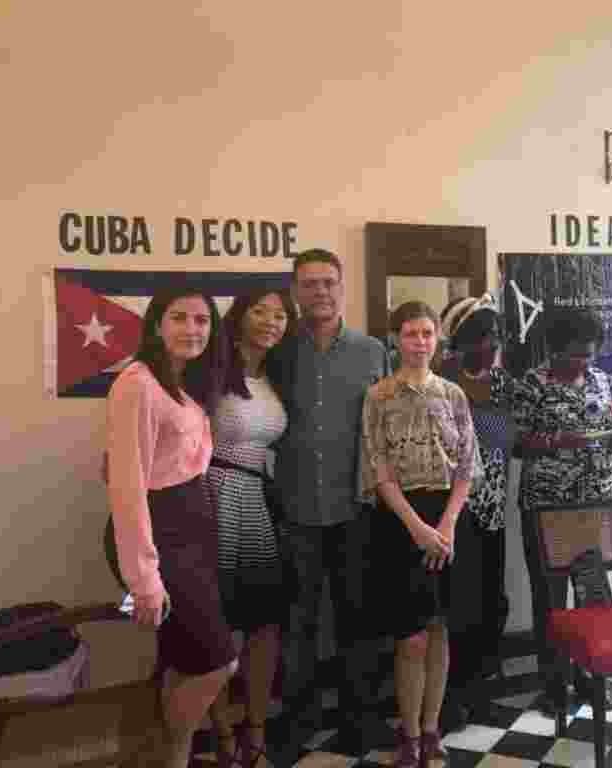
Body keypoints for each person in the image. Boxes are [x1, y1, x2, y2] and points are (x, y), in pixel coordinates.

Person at [264, 248, 392, 758]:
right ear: (295, 291)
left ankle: (358, 718)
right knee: (299, 624)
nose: (319, 291)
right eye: (309, 283)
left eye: (328, 282)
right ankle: (298, 720)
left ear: (342, 287)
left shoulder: (371, 351)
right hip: (294, 511)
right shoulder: (277, 352)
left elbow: (387, 427)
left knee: (356, 621)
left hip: (356, 510)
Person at [106, 287, 238, 768]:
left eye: (202, 320)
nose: (192, 329)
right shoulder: (136, 383)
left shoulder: (181, 385)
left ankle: (168, 756)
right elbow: (126, 486)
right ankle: (168, 754)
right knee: (217, 662)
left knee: (183, 659)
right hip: (162, 536)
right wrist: (143, 580)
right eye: (179, 318)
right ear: (156, 324)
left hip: (193, 533)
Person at [359, 301, 483, 768]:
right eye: (411, 333)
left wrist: (446, 525)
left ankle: (432, 729)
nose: (420, 341)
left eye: (427, 333)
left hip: (449, 520)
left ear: (438, 339)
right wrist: (418, 529)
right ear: (396, 339)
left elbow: (468, 466)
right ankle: (408, 733)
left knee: (439, 629)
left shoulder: (453, 394)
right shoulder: (378, 396)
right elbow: (379, 470)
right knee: (410, 636)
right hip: (400, 521)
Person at [512, 308, 612, 716]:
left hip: (595, 503)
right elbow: (517, 442)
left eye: (589, 355)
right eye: (575, 355)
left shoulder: (598, 379)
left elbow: (608, 425)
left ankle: (596, 678)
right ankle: (554, 683)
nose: (584, 363)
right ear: (555, 349)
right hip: (548, 506)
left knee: (594, 594)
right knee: (552, 600)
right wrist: (562, 440)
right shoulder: (532, 383)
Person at [205, 288, 295, 767]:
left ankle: (254, 731)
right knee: (216, 622)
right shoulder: (211, 371)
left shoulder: (275, 375)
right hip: (214, 495)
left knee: (264, 623)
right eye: (260, 311)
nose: (270, 321)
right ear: (238, 317)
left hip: (257, 499)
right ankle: (221, 735)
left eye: (280, 314)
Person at [438, 294, 514, 732]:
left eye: (496, 336)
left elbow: (512, 439)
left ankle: (481, 684)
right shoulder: (442, 380)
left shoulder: (505, 383)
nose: (490, 344)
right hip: (453, 509)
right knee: (455, 602)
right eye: (482, 336)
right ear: (463, 341)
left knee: (490, 599)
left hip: (494, 508)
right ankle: (449, 691)